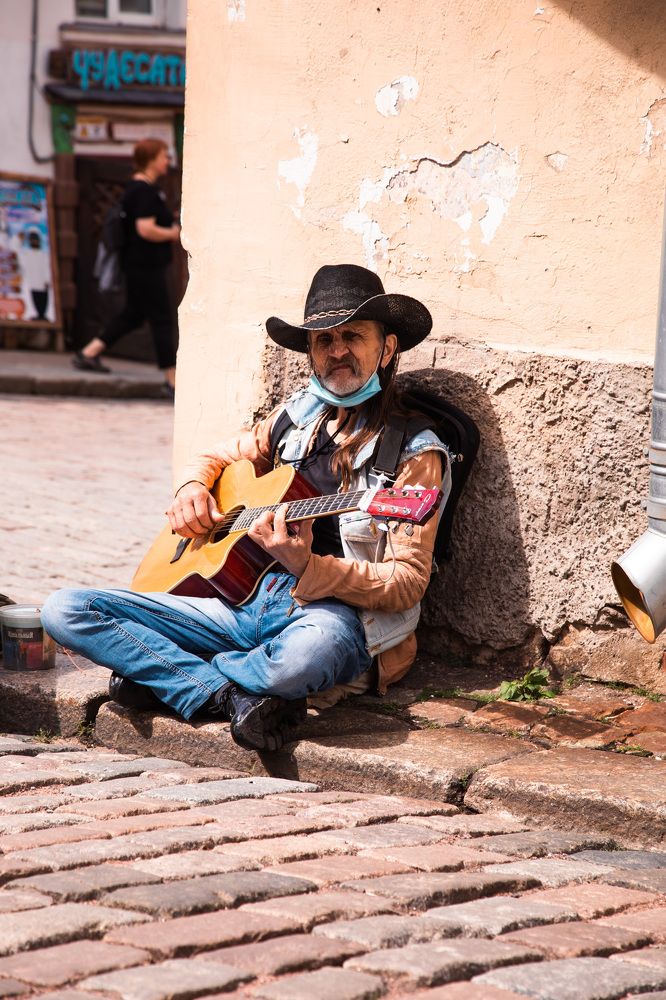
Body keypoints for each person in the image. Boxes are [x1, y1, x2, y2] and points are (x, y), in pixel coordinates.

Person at [43, 264, 450, 752]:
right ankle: (233, 693)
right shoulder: (297, 416)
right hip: (235, 604)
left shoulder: (414, 453)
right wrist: (191, 488)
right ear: (311, 353)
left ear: (386, 349)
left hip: (327, 617)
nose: (337, 350)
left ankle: (171, 676)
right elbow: (217, 456)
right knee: (66, 609)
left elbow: (407, 583)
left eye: (353, 336)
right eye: (323, 340)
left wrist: (307, 565)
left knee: (305, 658)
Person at [73, 138, 181, 397]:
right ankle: (172, 379)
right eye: (164, 156)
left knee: (133, 314)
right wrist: (172, 233)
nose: (168, 161)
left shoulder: (142, 188)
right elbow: (145, 229)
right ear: (152, 158)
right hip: (145, 266)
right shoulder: (142, 190)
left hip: (140, 265)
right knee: (162, 320)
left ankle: (89, 353)